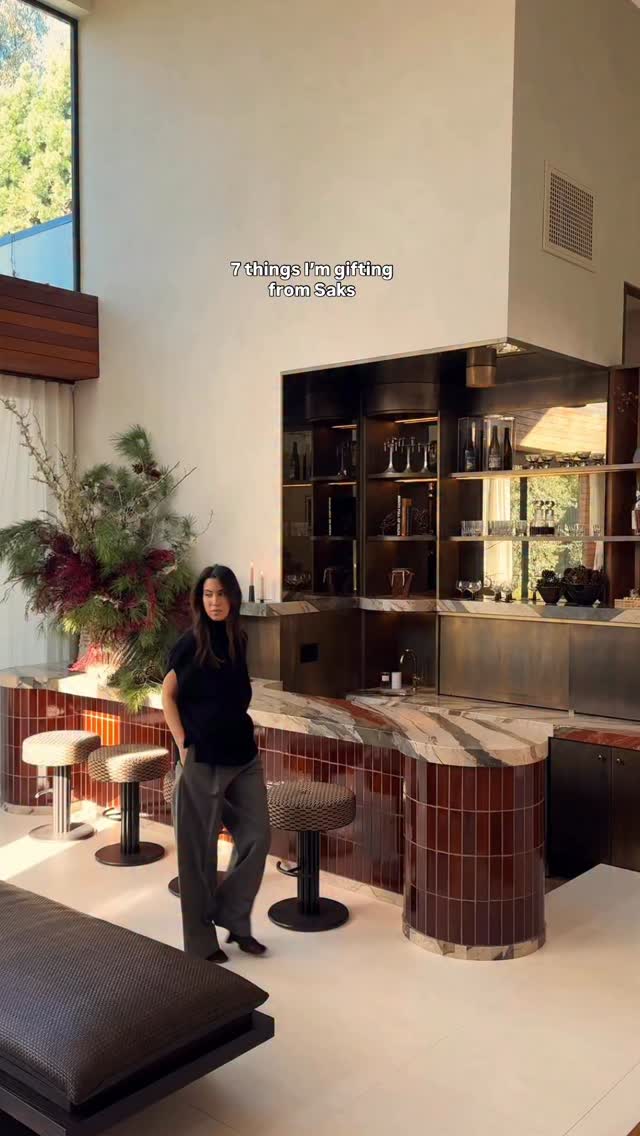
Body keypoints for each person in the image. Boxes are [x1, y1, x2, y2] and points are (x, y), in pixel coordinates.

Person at [161, 564, 270, 962]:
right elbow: (167, 695)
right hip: (202, 758)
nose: (214, 602)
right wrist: (182, 744)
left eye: (221, 594)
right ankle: (201, 944)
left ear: (233, 598)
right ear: (200, 600)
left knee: (257, 837)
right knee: (198, 855)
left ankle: (233, 917)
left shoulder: (239, 638)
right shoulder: (190, 643)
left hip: (242, 754)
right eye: (208, 595)